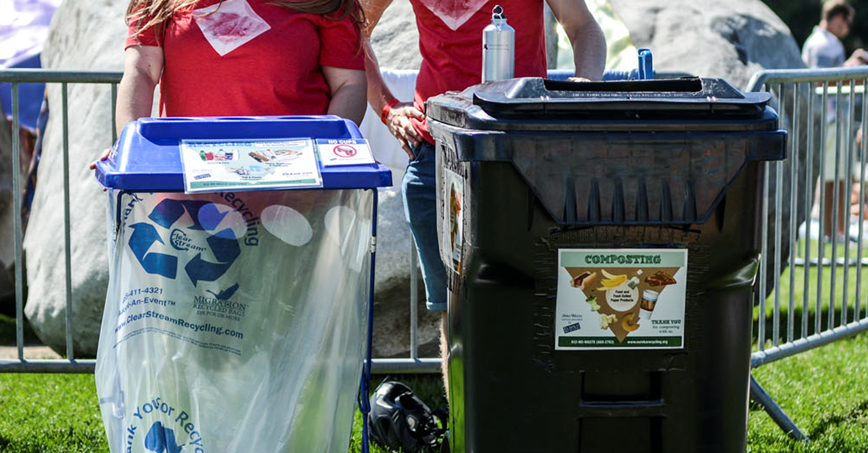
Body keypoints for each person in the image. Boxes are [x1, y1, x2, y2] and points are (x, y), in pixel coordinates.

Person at [362, 0, 605, 394]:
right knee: (455, 312)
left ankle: (540, 423)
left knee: (538, 299)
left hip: (524, 149)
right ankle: (466, 435)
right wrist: (388, 108)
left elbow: (584, 28)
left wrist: (585, 87)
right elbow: (354, 31)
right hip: (435, 153)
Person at [92, 0, 367, 169]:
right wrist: (129, 145)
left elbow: (348, 84)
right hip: (187, 175)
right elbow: (141, 71)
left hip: (296, 176)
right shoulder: (158, 2)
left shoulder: (327, 2)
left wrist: (326, 154)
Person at [801, 0, 868, 240]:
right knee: (832, 178)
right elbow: (820, 81)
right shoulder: (823, 44)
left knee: (840, 177)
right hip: (830, 119)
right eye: (846, 23)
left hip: (833, 119)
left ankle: (837, 230)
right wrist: (850, 67)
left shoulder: (823, 43)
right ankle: (833, 232)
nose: (847, 29)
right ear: (838, 19)